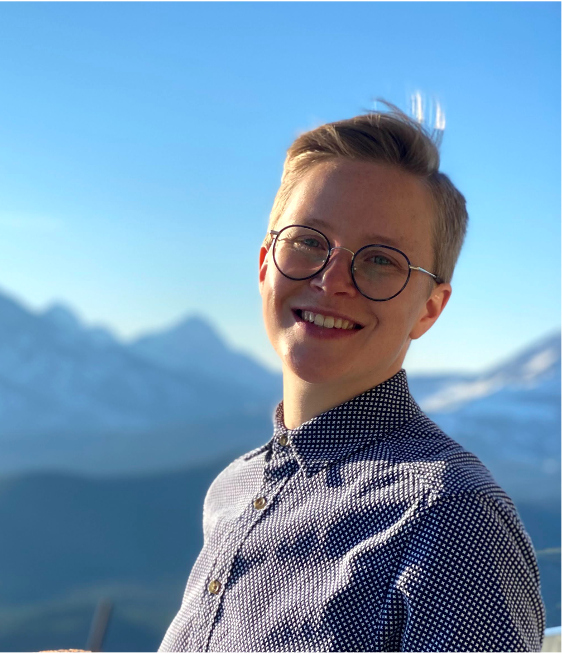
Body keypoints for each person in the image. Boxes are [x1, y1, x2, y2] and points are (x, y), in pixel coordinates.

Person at [158, 104, 545, 653]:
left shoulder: (450, 517)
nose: (331, 279)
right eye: (309, 241)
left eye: (382, 260)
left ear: (430, 309)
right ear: (266, 262)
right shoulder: (235, 489)